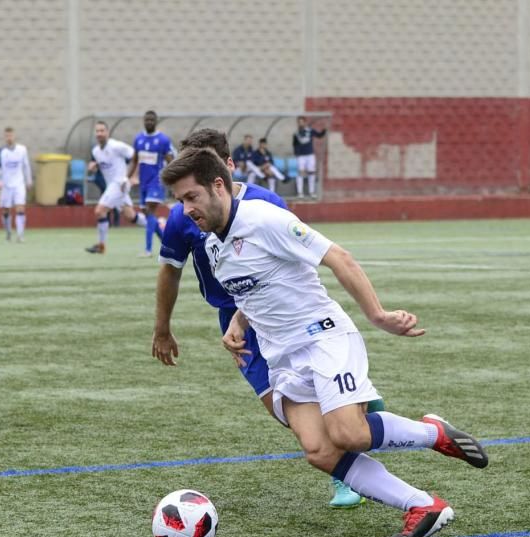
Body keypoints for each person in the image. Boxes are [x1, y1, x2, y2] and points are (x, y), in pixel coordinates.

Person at [160, 147, 488, 537]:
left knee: (348, 434)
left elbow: (339, 257)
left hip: (323, 337)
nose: (185, 208)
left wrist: (379, 315)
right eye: (180, 201)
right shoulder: (213, 244)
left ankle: (432, 433)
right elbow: (256, 288)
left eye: (191, 197)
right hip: (283, 358)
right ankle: (423, 505)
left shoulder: (264, 219)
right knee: (319, 450)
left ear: (218, 186)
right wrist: (237, 322)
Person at [153, 128, 373, 509]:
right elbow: (170, 270)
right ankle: (357, 420)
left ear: (227, 169)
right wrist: (162, 328)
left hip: (281, 315)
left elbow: (296, 258)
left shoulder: (265, 204)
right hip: (234, 323)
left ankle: (348, 470)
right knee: (284, 409)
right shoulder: (182, 216)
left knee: (319, 404)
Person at [85, 120, 146, 254]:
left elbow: (137, 156)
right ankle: (156, 225)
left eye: (102, 131)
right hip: (112, 187)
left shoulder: (116, 146)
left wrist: (134, 176)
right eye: (97, 131)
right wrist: (92, 169)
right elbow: (97, 168)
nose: (99, 133)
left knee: (99, 211)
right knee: (131, 216)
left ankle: (101, 246)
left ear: (108, 132)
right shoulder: (95, 151)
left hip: (120, 184)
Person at [127, 110, 177, 258]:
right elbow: (135, 161)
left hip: (156, 182)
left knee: (149, 211)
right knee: (148, 216)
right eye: (147, 120)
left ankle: (148, 250)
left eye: (151, 120)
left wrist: (174, 181)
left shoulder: (162, 140)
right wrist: (126, 178)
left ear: (156, 121)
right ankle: (168, 244)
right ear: (143, 121)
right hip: (143, 182)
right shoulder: (139, 139)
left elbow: (170, 162)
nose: (149, 122)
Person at [0, 128, 33, 242]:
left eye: (10, 135)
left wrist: (28, 180)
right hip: (6, 185)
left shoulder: (22, 150)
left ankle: (20, 235)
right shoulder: (1, 152)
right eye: (7, 136)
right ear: (4, 137)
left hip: (19, 184)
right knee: (6, 210)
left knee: (20, 208)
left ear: (14, 136)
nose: (9, 138)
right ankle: (8, 232)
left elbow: (26, 165)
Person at [292, 115, 326, 198]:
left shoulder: (310, 131)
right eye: (299, 122)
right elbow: (294, 145)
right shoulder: (296, 134)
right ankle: (300, 192)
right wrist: (296, 154)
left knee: (311, 172)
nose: (300, 123)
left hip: (310, 155)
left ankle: (312, 192)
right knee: (300, 173)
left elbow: (319, 135)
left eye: (302, 121)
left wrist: (324, 130)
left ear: (305, 122)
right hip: (300, 156)